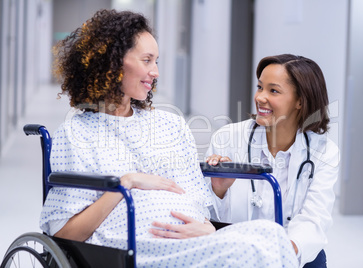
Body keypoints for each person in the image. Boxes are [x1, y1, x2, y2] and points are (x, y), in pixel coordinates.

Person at [40, 9, 298, 267]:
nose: (156, 72)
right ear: (113, 63)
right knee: (248, 254)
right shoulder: (77, 133)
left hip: (190, 238)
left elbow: (196, 197)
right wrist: (126, 183)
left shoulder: (170, 124)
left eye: (157, 61)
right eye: (147, 60)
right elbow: (65, 234)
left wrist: (206, 227)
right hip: (132, 246)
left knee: (273, 235)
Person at [206, 54, 339, 268]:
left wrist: (282, 253)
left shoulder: (324, 152)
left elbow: (315, 218)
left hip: (291, 254)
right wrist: (218, 190)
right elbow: (206, 218)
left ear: (300, 101)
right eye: (260, 87)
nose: (260, 97)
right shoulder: (227, 138)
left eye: (273, 90)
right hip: (236, 251)